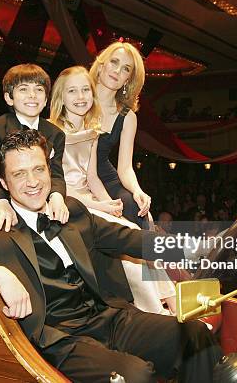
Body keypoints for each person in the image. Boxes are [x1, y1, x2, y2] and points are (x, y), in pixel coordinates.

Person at [0, 130, 221, 383]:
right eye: (19, 174)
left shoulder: (72, 212)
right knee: (135, 376)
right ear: (3, 182)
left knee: (195, 336)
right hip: (58, 339)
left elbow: (133, 240)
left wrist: (192, 248)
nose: (32, 182)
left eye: (38, 169)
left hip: (108, 318)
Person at [49, 66, 175, 315]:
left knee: (131, 229)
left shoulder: (93, 132)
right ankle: (155, 312)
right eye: (72, 91)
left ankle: (171, 302)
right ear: (60, 97)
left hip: (92, 200)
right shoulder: (52, 133)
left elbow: (93, 177)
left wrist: (111, 206)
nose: (81, 96)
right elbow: (58, 186)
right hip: (68, 202)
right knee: (126, 240)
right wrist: (100, 207)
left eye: (86, 89)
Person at [0, 63, 69, 232]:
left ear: (46, 99)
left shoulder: (56, 133)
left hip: (42, 206)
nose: (32, 95)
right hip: (8, 207)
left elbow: (57, 174)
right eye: (23, 89)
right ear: (9, 97)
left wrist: (57, 196)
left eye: (39, 89)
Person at [90, 41, 151, 228]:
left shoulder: (127, 116)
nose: (117, 70)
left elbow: (124, 167)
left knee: (139, 213)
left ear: (128, 80)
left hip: (106, 177)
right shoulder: (77, 99)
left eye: (125, 69)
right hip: (73, 175)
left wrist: (137, 190)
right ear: (101, 65)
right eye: (114, 62)